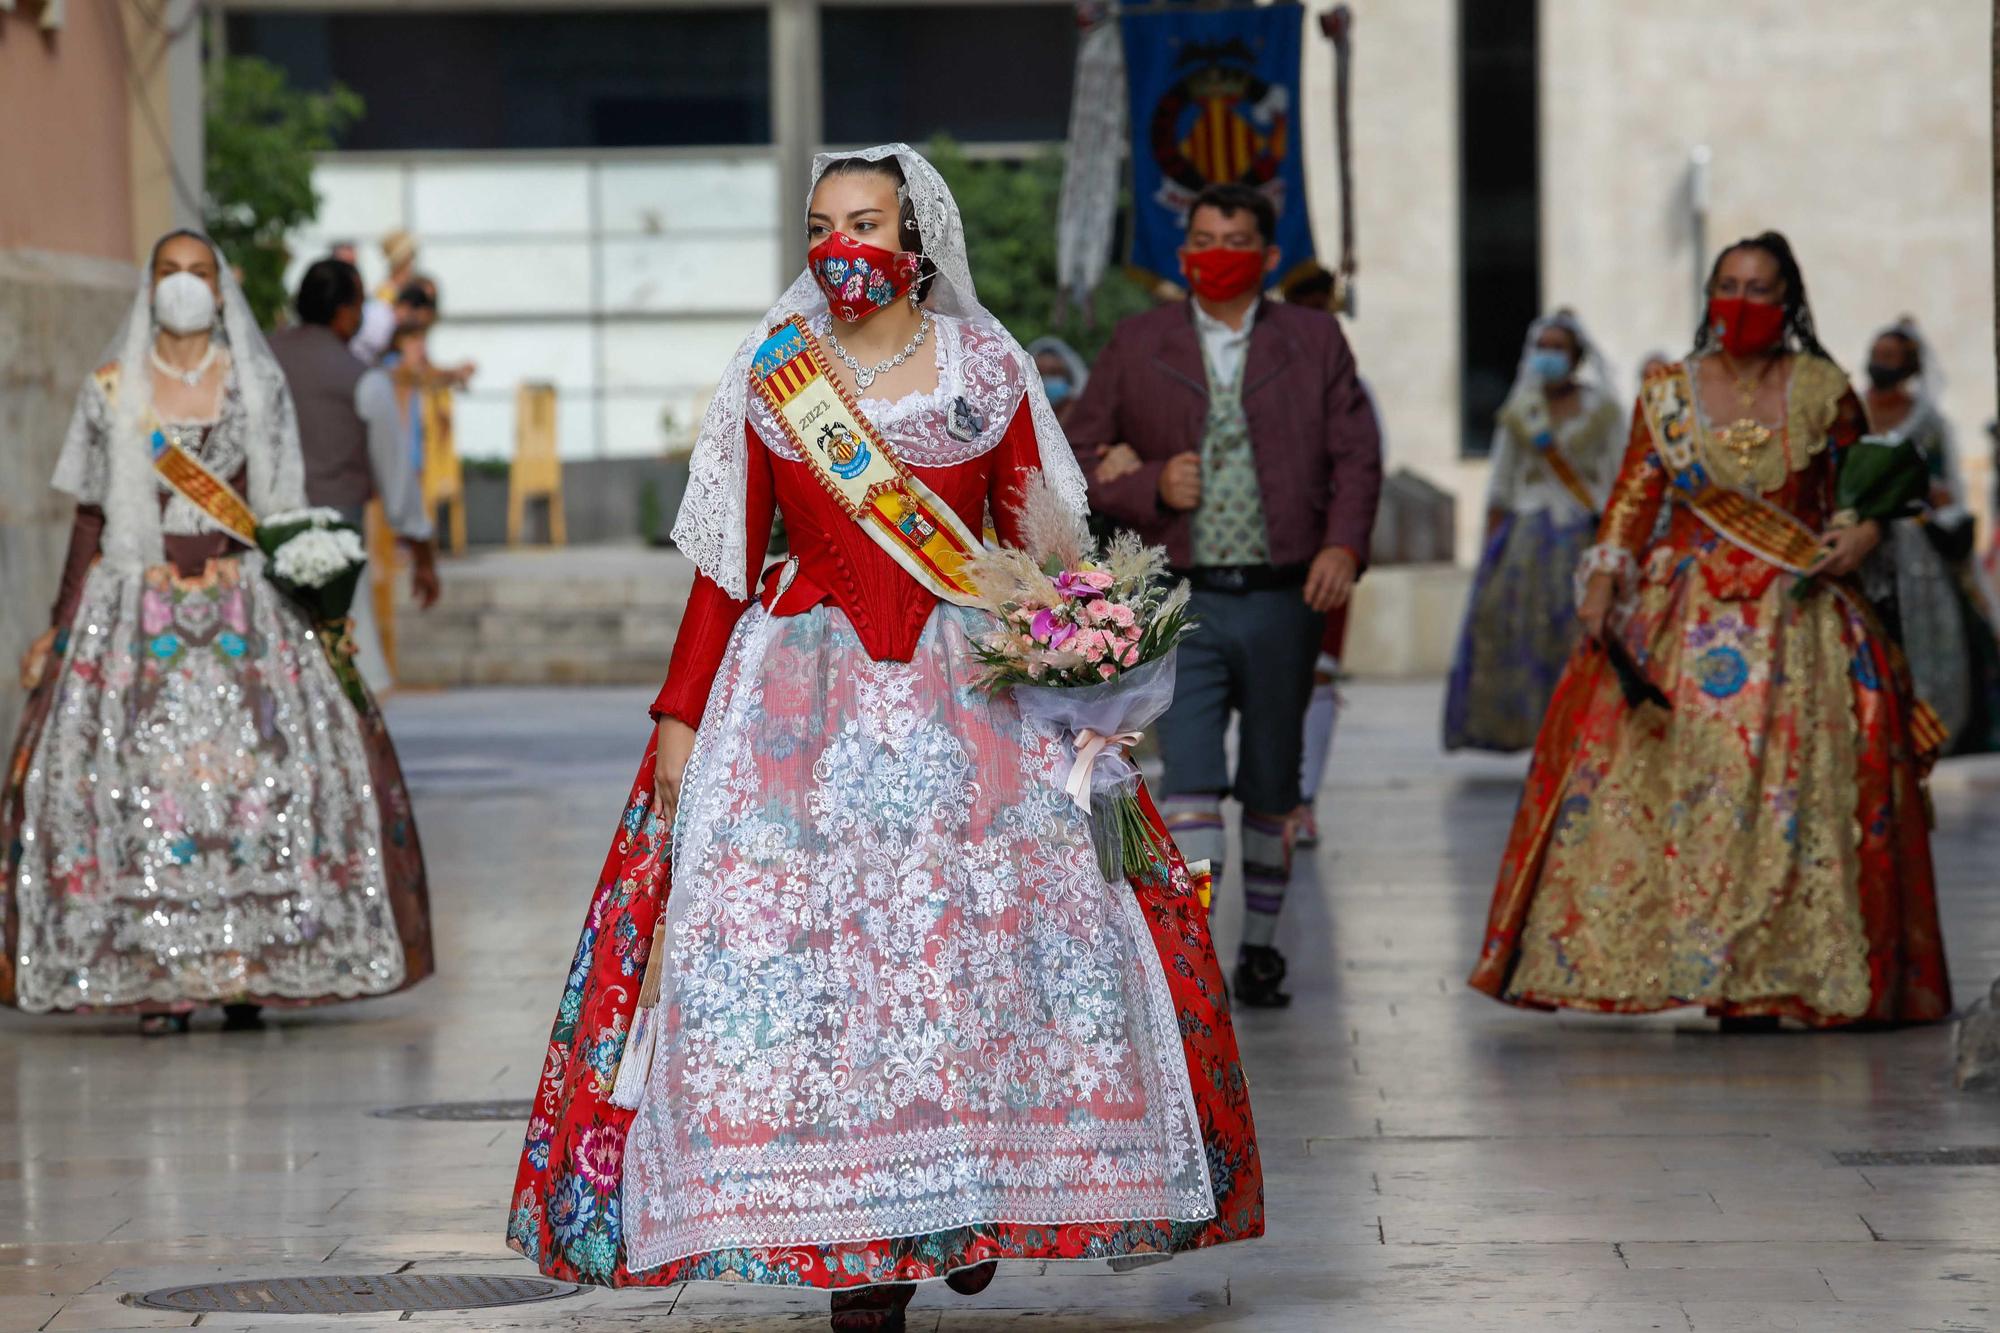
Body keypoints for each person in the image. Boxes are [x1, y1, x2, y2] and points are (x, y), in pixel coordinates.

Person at [506, 145, 1261, 1333]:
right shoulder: (772, 377)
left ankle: (969, 1197)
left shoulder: (985, 365)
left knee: (977, 961)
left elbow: (1044, 541)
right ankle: (866, 1250)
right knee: (818, 972)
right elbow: (719, 575)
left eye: (864, 223)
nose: (839, 247)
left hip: (978, 710)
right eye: (820, 225)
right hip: (796, 710)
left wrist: (1093, 672)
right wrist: (676, 716)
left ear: (915, 244)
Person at [1469, 231, 1950, 1029]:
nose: (1741, 302)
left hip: (1800, 623)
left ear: (1788, 301)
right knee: (1686, 792)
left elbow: (1858, 489)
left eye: (1760, 288)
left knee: (1792, 801)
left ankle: (1770, 973)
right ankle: (1693, 960)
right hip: (1682, 618)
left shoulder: (1824, 388)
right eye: (1727, 285)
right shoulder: (1666, 393)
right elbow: (1632, 497)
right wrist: (1603, 578)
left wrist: (1860, 533)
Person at [1, 231, 433, 1035]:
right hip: (136, 611)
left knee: (258, 779)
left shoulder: (254, 386)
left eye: (200, 274)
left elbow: (279, 504)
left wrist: (317, 605)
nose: (185, 287)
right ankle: (157, 975)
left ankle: (247, 967)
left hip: (244, 607)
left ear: (222, 288)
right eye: (170, 273)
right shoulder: (110, 388)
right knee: (140, 786)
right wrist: (59, 627)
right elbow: (91, 515)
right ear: (149, 285)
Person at [1064, 184, 1383, 1008]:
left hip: (1286, 593)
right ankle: (1198, 957)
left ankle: (1263, 948)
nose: (1216, 252)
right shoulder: (1140, 342)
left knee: (1275, 779)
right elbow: (1076, 447)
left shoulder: (1314, 340)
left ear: (1269, 255)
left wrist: (1344, 544)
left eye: (1235, 238)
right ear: (1182, 251)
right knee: (1195, 778)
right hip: (1182, 596)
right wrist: (1146, 484)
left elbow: (1357, 452)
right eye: (1202, 238)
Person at [1443, 311, 1624, 752]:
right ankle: (1534, 731)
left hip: (1583, 532)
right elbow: (1502, 482)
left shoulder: (1601, 410)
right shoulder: (1523, 410)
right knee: (1518, 635)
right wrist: (1490, 545)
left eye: (1558, 347)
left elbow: (1619, 473)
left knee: (1579, 636)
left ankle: (1582, 730)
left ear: (1576, 355)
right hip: (1527, 538)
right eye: (1543, 346)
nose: (1549, 356)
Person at [270, 259, 442, 690]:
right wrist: (422, 557)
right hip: (338, 556)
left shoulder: (261, 360)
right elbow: (398, 483)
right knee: (349, 679)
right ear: (346, 311)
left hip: (260, 547)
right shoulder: (363, 380)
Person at [1859, 318, 2000, 755]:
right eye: (1877, 354)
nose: (1880, 363)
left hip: (1914, 547)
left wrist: (1919, 492)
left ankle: (1927, 726)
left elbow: (1945, 488)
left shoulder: (1928, 422)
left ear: (1909, 365)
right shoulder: (1849, 410)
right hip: (1860, 543)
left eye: (1891, 357)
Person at [1027, 334, 1089, 428]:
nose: (1047, 380)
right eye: (1040, 374)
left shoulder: (1087, 417)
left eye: (1054, 373)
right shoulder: (1023, 418)